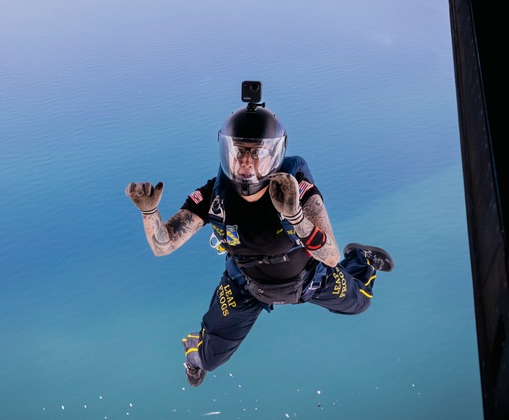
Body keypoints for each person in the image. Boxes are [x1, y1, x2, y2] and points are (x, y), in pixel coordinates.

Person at [125, 88, 393, 387]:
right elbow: (164, 245)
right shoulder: (215, 196)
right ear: (227, 151)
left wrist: (295, 217)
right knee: (209, 358)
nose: (247, 162)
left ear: (275, 154)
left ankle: (361, 257)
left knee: (360, 303)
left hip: (310, 278)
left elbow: (329, 256)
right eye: (239, 151)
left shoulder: (296, 190)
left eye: (258, 152)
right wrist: (150, 213)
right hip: (247, 285)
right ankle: (194, 353)